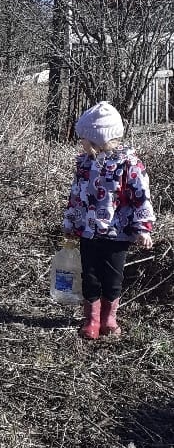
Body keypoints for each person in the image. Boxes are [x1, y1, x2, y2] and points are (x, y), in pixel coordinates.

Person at [63, 100, 155, 339]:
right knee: (90, 276)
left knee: (113, 278)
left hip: (118, 233)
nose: (81, 143)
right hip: (88, 232)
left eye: (84, 138)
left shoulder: (130, 165)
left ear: (97, 138)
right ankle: (91, 320)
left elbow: (141, 197)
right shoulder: (84, 163)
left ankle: (108, 319)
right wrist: (71, 223)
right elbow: (76, 195)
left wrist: (143, 228)